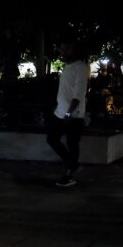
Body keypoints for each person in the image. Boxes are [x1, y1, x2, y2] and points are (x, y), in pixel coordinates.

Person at [47, 40, 89, 187]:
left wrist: (69, 113)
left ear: (75, 50)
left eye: (67, 49)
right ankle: (73, 164)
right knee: (52, 139)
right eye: (62, 49)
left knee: (72, 143)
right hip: (60, 112)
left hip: (73, 114)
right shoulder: (67, 67)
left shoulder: (80, 68)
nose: (63, 52)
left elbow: (78, 94)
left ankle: (69, 175)